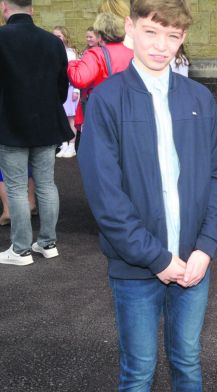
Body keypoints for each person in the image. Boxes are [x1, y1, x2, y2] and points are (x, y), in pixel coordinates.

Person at [77, 0, 217, 389]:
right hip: (136, 267)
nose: (161, 45)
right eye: (151, 32)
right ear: (130, 27)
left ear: (183, 38)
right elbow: (105, 196)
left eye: (173, 36)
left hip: (194, 261)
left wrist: (207, 246)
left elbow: (215, 176)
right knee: (138, 370)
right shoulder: (107, 100)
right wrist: (155, 257)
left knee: (188, 361)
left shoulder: (198, 99)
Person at [0, 0, 73, 266]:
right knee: (46, 184)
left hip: (10, 123)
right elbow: (61, 85)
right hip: (46, 123)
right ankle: (47, 243)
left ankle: (20, 250)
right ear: (31, 9)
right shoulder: (52, 42)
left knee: (17, 187)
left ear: (4, 7)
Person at [67, 12, 133, 130]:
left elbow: (79, 79)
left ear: (100, 34)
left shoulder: (96, 53)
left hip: (100, 112)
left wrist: (72, 63)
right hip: (127, 110)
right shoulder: (132, 53)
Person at [53, 26, 80, 158]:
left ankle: (72, 145)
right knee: (62, 117)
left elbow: (76, 72)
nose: (56, 38)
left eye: (59, 36)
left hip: (70, 89)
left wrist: (76, 89)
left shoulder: (70, 53)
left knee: (71, 118)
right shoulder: (54, 51)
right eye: (54, 36)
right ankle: (64, 143)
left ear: (65, 36)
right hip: (60, 88)